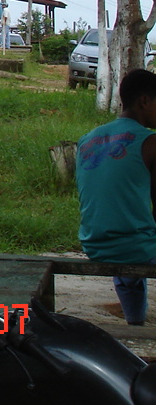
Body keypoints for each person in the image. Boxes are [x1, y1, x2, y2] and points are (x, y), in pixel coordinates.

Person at [76, 69, 156, 325]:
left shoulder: (88, 139)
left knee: (130, 236)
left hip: (94, 244)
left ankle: (135, 322)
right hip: (137, 249)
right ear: (145, 101)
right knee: (137, 241)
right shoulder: (150, 142)